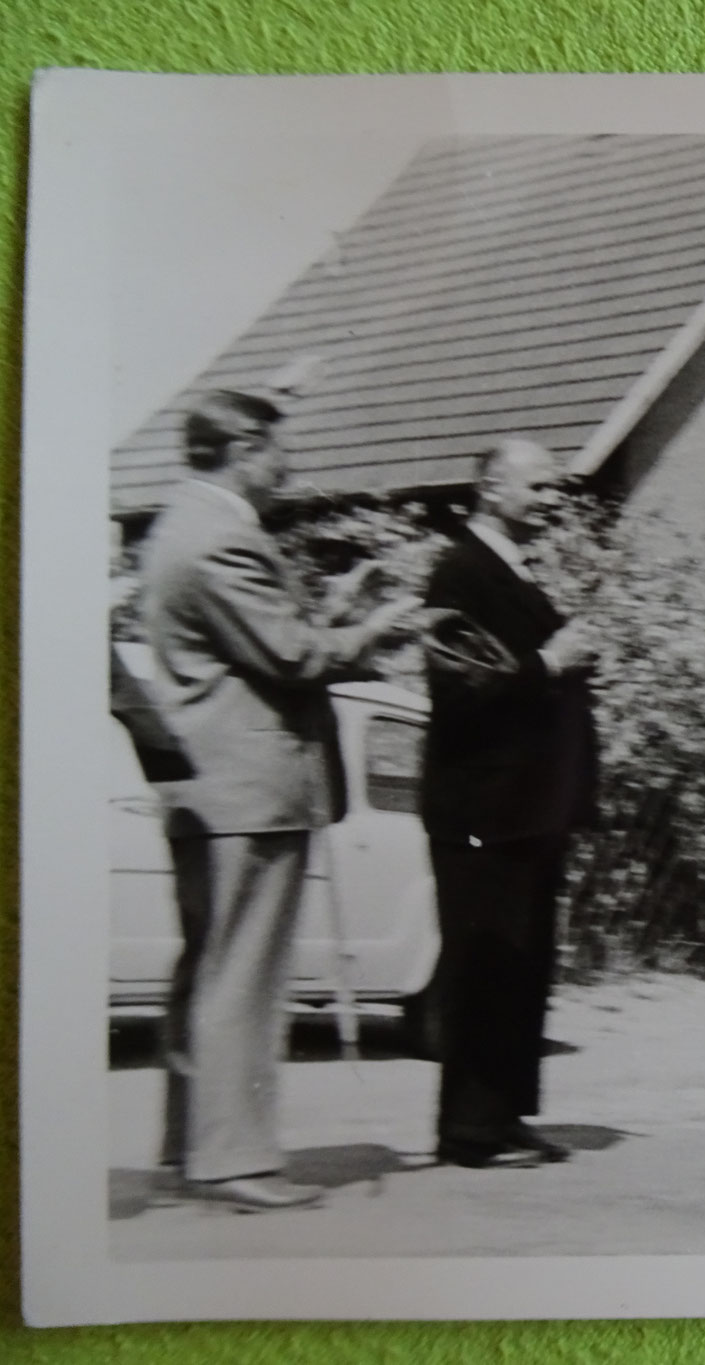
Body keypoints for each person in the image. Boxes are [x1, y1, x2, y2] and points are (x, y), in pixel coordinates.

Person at [139, 389, 420, 1212]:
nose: (288, 466)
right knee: (245, 981)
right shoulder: (224, 536)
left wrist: (334, 608)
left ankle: (189, 1149)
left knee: (208, 970)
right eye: (278, 450)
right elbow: (294, 658)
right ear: (244, 448)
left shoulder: (178, 526)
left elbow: (252, 647)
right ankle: (234, 1161)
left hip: (210, 785)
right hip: (251, 789)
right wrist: (379, 627)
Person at [420, 439, 600, 1170]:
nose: (552, 498)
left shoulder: (510, 569)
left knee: (522, 966)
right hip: (484, 808)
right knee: (484, 963)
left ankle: (502, 1115)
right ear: (492, 489)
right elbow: (461, 687)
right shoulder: (460, 570)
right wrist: (552, 662)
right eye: (538, 486)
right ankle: (467, 1128)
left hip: (528, 808)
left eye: (554, 487)